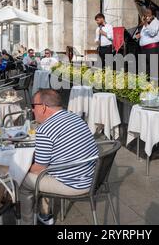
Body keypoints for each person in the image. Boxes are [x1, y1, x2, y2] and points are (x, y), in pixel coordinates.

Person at [19, 89, 99, 225]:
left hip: (75, 184)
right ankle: (45, 214)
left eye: (33, 106)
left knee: (22, 179)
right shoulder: (74, 117)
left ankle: (27, 222)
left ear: (43, 107)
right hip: (94, 177)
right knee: (44, 169)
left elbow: (39, 169)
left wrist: (21, 168)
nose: (32, 110)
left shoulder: (45, 129)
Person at [135, 6, 159, 78]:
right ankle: (146, 87)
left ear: (153, 14)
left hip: (153, 49)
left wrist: (145, 23)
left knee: (153, 71)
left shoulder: (156, 22)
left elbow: (152, 33)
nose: (146, 15)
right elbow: (144, 35)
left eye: (148, 13)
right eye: (145, 13)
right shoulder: (146, 24)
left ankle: (153, 88)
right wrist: (139, 35)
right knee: (145, 71)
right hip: (144, 50)